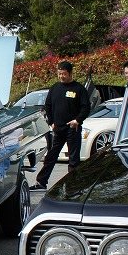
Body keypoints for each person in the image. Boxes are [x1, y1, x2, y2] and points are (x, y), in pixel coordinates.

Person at [30, 61, 91, 191]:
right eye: (59, 74)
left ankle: (73, 185)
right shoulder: (54, 88)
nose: (61, 76)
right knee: (50, 156)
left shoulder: (79, 89)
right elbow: (48, 106)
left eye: (64, 74)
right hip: (58, 128)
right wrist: (51, 122)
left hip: (72, 128)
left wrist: (77, 120)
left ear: (70, 73)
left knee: (73, 159)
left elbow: (86, 108)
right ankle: (41, 183)